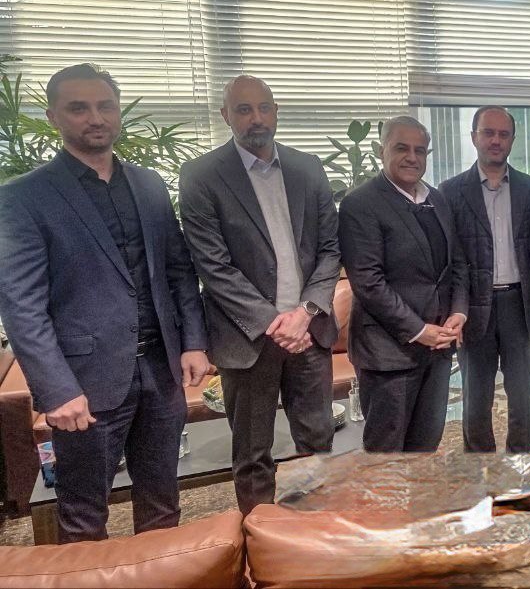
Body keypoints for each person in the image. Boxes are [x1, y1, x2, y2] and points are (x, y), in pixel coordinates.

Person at [0, 63, 210, 542]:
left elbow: (178, 269)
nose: (95, 118)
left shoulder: (150, 184)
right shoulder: (23, 197)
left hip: (160, 372)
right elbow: (21, 305)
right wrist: (56, 390)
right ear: (54, 116)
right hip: (84, 383)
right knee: (83, 513)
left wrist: (194, 342)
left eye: (105, 106)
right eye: (79, 108)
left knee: (163, 499)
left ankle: (160, 572)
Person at [178, 75, 341, 515]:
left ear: (276, 111)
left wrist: (304, 314)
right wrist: (276, 323)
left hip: (309, 333)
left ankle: (313, 532)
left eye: (264, 108)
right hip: (248, 338)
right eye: (244, 109)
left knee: (318, 443)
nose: (256, 118)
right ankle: (260, 540)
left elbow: (330, 249)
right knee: (252, 455)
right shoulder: (201, 176)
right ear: (225, 115)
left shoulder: (307, 168)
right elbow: (213, 266)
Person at [340, 115, 468, 451]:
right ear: (381, 150)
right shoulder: (360, 204)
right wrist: (418, 330)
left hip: (437, 351)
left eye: (420, 150)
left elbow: (456, 264)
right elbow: (368, 282)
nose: (412, 157)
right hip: (388, 355)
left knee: (425, 448)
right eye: (401, 148)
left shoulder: (438, 200)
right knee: (387, 456)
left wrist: (458, 312)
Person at [441, 106, 530, 453]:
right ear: (474, 137)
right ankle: (479, 470)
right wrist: (454, 310)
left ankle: (522, 467)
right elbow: (449, 259)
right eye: (488, 132)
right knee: (476, 397)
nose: (496, 140)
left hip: (520, 305)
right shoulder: (450, 192)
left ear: (512, 139)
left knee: (523, 395)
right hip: (473, 308)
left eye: (504, 134)